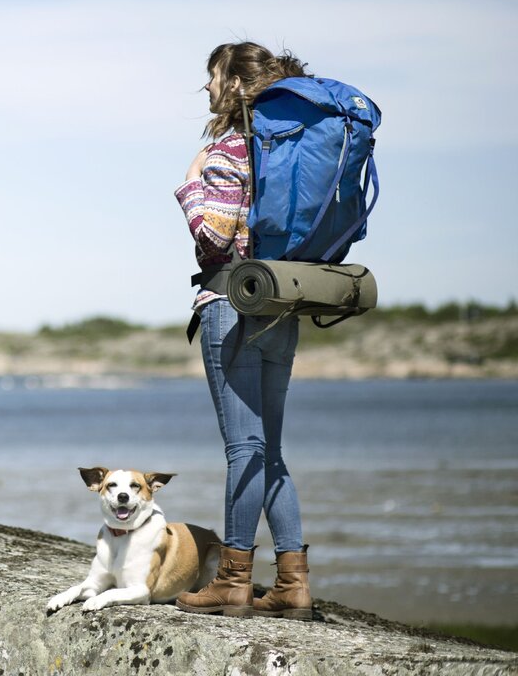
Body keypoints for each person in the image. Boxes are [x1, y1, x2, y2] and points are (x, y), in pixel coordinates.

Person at [171, 41, 313, 620]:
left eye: (211, 77)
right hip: (282, 304)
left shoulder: (230, 148)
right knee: (270, 451)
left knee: (243, 449)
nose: (204, 88)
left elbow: (216, 238)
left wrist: (190, 185)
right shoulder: (286, 149)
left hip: (233, 303)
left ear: (232, 84)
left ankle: (232, 579)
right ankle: (292, 582)